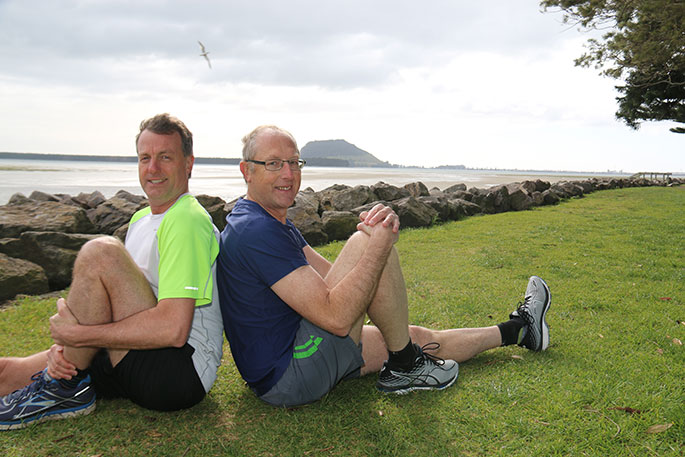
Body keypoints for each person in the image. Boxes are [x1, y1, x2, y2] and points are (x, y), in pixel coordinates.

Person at [217, 125, 551, 408]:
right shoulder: (255, 231)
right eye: (274, 164)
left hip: (297, 351)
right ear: (247, 171)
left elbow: (330, 277)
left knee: (415, 338)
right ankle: (405, 366)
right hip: (289, 372)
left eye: (293, 162)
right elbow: (336, 319)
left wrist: (374, 252)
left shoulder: (269, 221)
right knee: (367, 243)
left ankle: (519, 330)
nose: (288, 174)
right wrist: (377, 246)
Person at [0, 114, 224, 430]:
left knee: (101, 252)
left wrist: (79, 336)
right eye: (145, 158)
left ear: (188, 164)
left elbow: (173, 330)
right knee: (6, 374)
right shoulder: (141, 220)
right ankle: (63, 380)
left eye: (165, 157)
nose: (153, 168)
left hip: (177, 371)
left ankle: (62, 388)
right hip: (132, 351)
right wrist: (65, 349)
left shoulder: (187, 220)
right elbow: (116, 301)